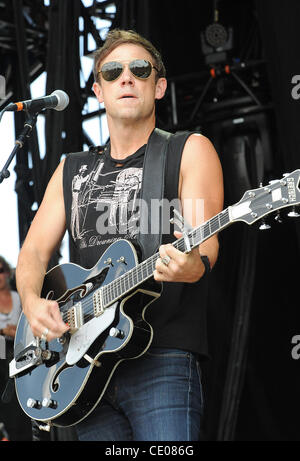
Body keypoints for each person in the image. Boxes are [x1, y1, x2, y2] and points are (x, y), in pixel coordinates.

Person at [15, 29, 224, 441]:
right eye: (113, 72)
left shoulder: (189, 150)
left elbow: (205, 246)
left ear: (158, 86)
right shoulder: (71, 168)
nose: (126, 78)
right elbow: (34, 253)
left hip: (160, 356)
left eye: (139, 69)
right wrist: (32, 302)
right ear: (99, 91)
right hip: (81, 367)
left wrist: (191, 265)